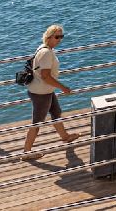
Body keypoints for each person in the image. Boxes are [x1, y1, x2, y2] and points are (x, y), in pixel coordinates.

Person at [22, 25, 80, 160]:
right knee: (37, 122)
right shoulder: (47, 53)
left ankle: (65, 137)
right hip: (41, 92)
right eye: (57, 37)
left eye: (62, 37)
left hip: (45, 90)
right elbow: (46, 76)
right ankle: (26, 152)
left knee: (56, 112)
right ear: (49, 37)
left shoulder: (43, 48)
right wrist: (63, 87)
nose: (59, 40)